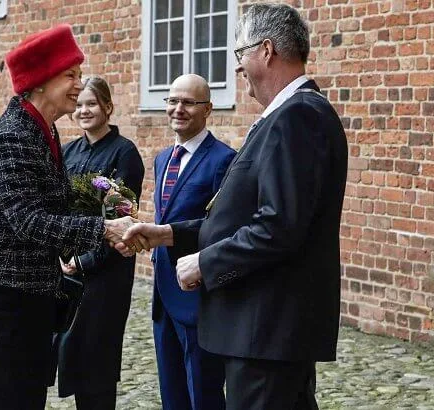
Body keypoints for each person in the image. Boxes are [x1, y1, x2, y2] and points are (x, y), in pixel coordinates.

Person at [120, 4, 348, 409]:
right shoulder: (288, 115)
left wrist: (205, 262)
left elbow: (279, 226)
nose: (239, 70)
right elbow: (238, 215)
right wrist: (168, 233)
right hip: (265, 332)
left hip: (266, 330)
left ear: (266, 50)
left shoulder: (298, 116)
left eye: (240, 55)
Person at [0, 24, 135, 410]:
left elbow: (53, 205)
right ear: (39, 81)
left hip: (25, 298)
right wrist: (104, 229)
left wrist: (108, 211)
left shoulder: (44, 129)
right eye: (70, 75)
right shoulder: (14, 135)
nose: (78, 84)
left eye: (79, 75)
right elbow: (30, 221)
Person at [56, 76, 145, 409]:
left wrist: (85, 261)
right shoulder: (67, 152)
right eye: (78, 105)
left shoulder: (125, 153)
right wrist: (65, 257)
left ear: (108, 106)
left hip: (106, 272)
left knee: (98, 359)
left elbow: (121, 219)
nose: (83, 110)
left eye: (91, 104)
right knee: (73, 355)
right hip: (68, 270)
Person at [152, 74, 234, 410]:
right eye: (172, 101)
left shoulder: (224, 160)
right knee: (171, 393)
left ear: (208, 109)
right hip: (162, 294)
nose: (178, 109)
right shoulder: (162, 159)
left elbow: (220, 226)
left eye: (188, 102)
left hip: (197, 296)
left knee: (203, 393)